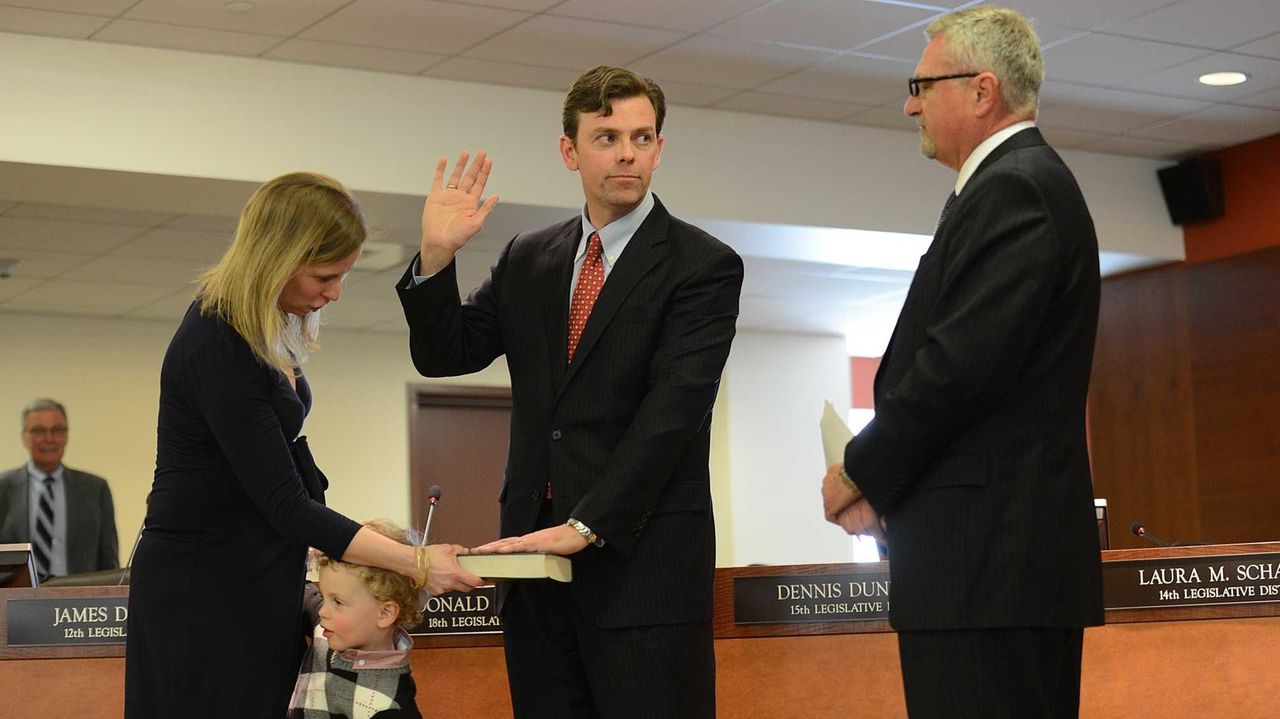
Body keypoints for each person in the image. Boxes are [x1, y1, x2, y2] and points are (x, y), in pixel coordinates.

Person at [397, 66, 743, 718]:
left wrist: (586, 523)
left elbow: (674, 412)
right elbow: (447, 353)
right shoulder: (530, 257)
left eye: (643, 138)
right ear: (570, 151)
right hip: (536, 578)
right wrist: (437, 259)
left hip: (645, 576)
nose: (627, 153)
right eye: (607, 137)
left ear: (660, 149)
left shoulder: (703, 265)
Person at [820, 6, 1104, 718]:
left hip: (991, 571)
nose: (909, 103)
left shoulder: (1016, 188)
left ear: (982, 91)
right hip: (983, 572)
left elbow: (956, 371)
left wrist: (860, 471)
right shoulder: (1005, 187)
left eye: (921, 84)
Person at [124, 171, 483, 719]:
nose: (334, 292)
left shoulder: (258, 329)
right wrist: (415, 561)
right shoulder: (217, 341)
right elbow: (288, 505)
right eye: (323, 276)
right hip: (205, 588)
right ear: (275, 258)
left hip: (255, 573)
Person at [288, 518, 425, 719]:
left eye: (338, 602)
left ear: (385, 614)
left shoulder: (390, 706)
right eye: (324, 596)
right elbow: (299, 592)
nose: (322, 611)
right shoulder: (327, 629)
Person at [0, 398, 119, 578]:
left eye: (57, 430)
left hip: (79, 602)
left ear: (66, 435)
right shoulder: (3, 487)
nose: (49, 439)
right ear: (24, 437)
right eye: (39, 431)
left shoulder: (95, 489)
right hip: (16, 601)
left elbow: (108, 561)